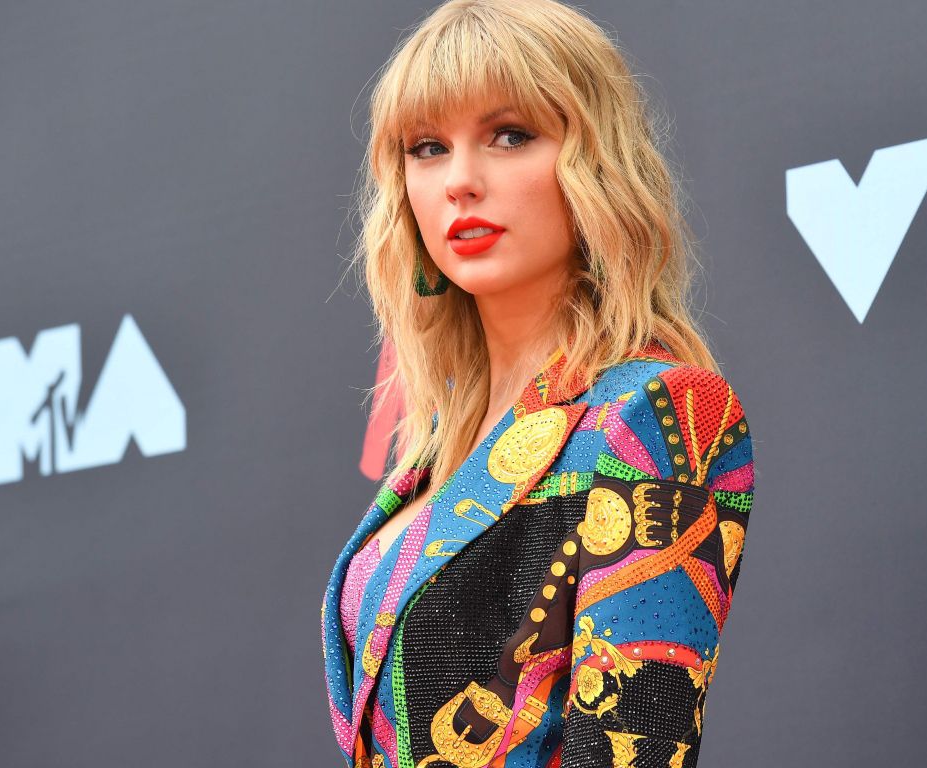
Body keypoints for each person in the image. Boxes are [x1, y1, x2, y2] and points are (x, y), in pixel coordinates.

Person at [318, 1, 756, 767]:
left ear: (594, 161)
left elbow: (632, 751)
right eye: (427, 147)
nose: (460, 181)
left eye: (509, 135)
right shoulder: (434, 451)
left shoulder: (656, 413)